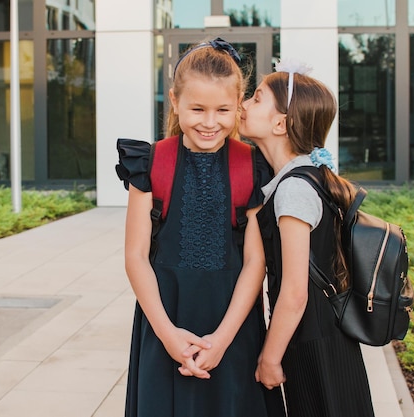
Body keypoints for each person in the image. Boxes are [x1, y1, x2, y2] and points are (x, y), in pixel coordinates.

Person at [115, 38, 284, 417]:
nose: (210, 122)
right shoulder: (150, 163)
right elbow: (135, 256)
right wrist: (168, 336)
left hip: (233, 326)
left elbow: (256, 262)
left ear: (239, 105)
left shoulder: (251, 166)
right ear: (174, 102)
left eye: (223, 110)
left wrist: (222, 340)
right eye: (197, 109)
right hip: (164, 323)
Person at [239, 60, 376, 416]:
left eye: (255, 99)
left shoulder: (294, 190)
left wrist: (270, 357)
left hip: (315, 345)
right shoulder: (306, 177)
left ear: (280, 123)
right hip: (323, 338)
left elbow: (296, 292)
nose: (243, 105)